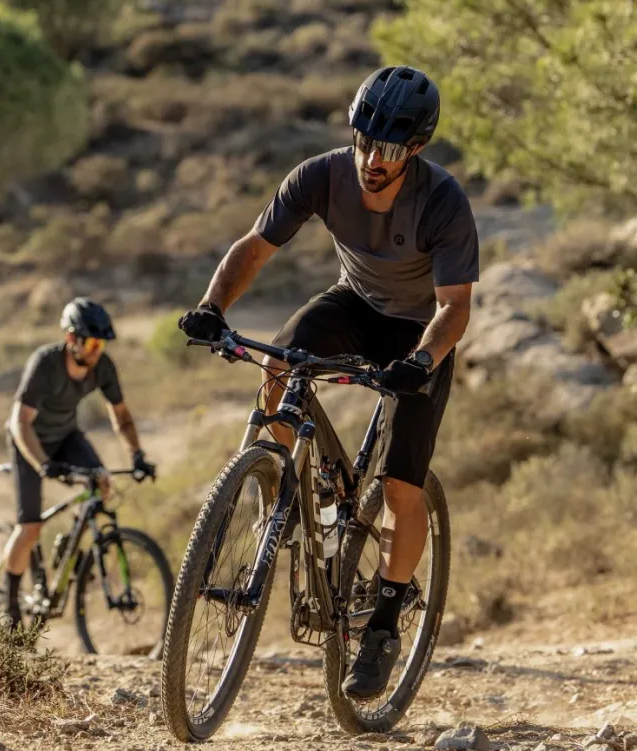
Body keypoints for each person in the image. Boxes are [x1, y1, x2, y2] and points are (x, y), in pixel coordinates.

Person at [178, 65, 478, 699]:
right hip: (354, 304)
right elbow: (254, 247)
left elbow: (454, 307)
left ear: (416, 148)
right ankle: (279, 487)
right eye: (364, 141)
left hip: (420, 335)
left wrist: (422, 360)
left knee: (400, 489)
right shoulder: (320, 176)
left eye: (388, 149)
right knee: (280, 359)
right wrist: (212, 307)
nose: (372, 159)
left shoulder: (442, 200)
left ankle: (385, 626)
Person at [0, 297, 157, 628]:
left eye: (102, 344)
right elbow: (20, 422)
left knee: (101, 484)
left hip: (66, 436)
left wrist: (137, 455)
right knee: (30, 527)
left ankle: (69, 546)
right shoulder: (46, 363)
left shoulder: (103, 368)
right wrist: (43, 463)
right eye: (93, 343)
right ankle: (9, 605)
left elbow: (121, 416)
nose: (98, 351)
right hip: (29, 442)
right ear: (72, 339)